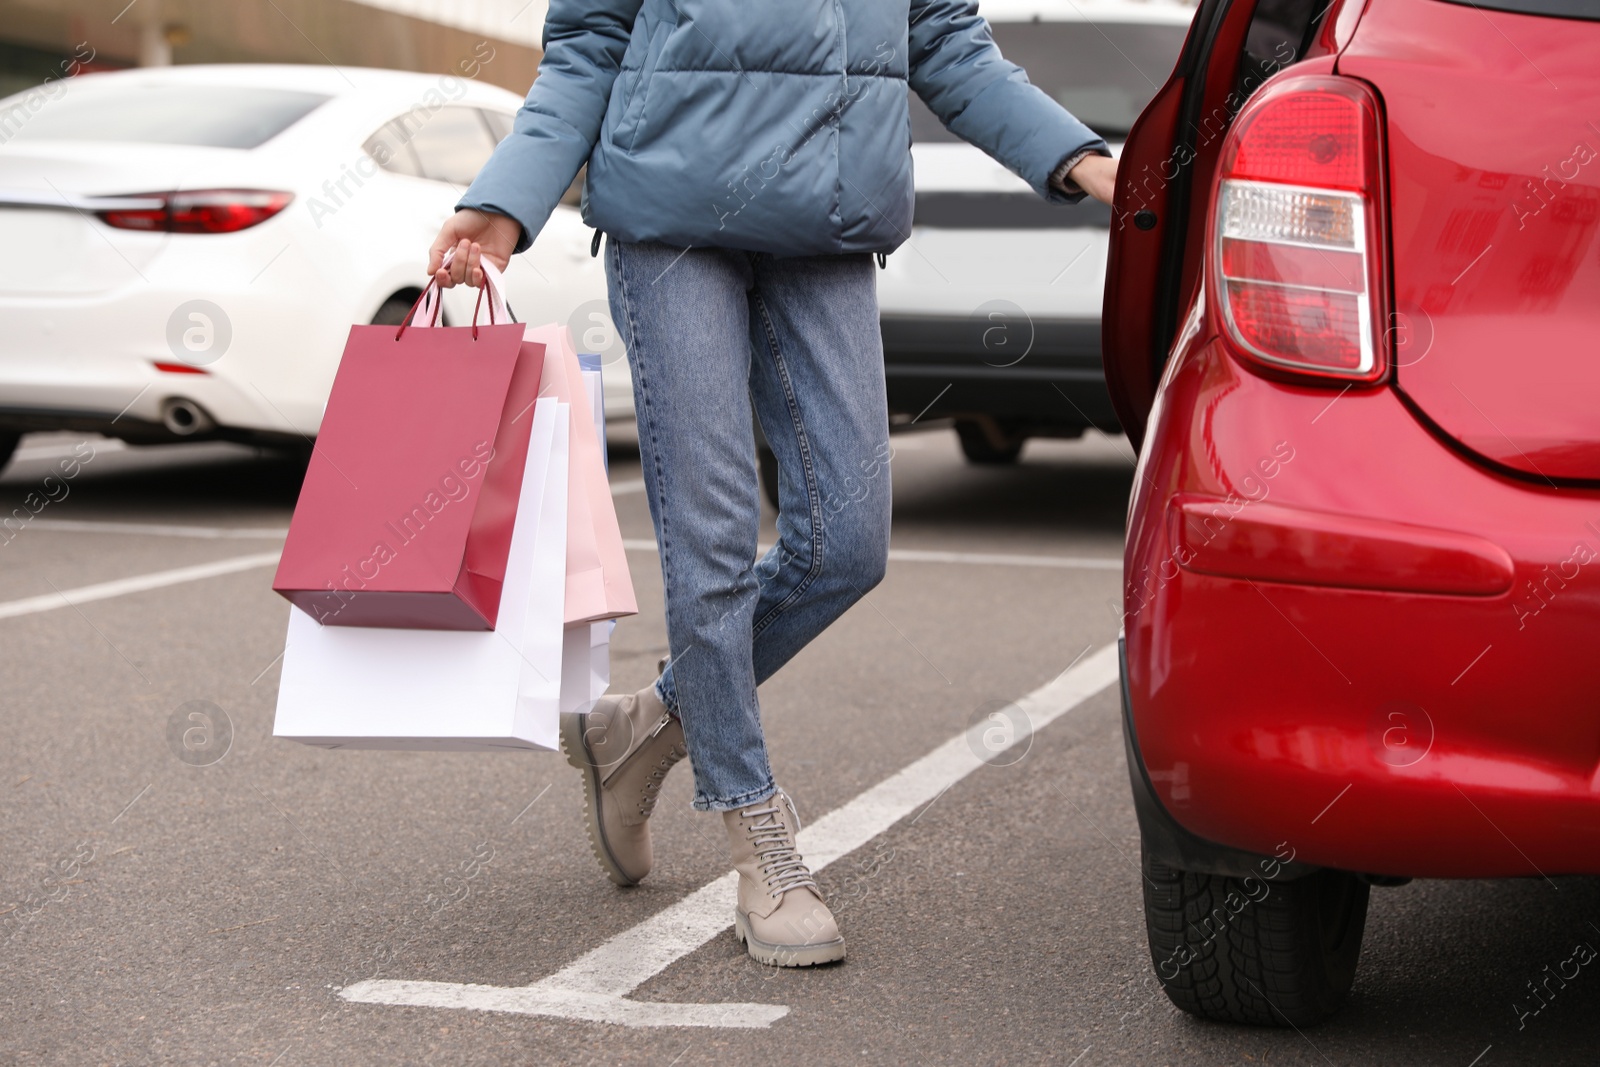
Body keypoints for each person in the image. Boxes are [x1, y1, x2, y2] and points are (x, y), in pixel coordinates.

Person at [428, 0, 1119, 968]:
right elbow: (588, 42)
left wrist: (1077, 155)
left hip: (827, 219)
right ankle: (755, 832)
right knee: (707, 534)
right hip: (673, 225)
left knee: (848, 542)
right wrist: (507, 199)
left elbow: (945, 42)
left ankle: (647, 726)